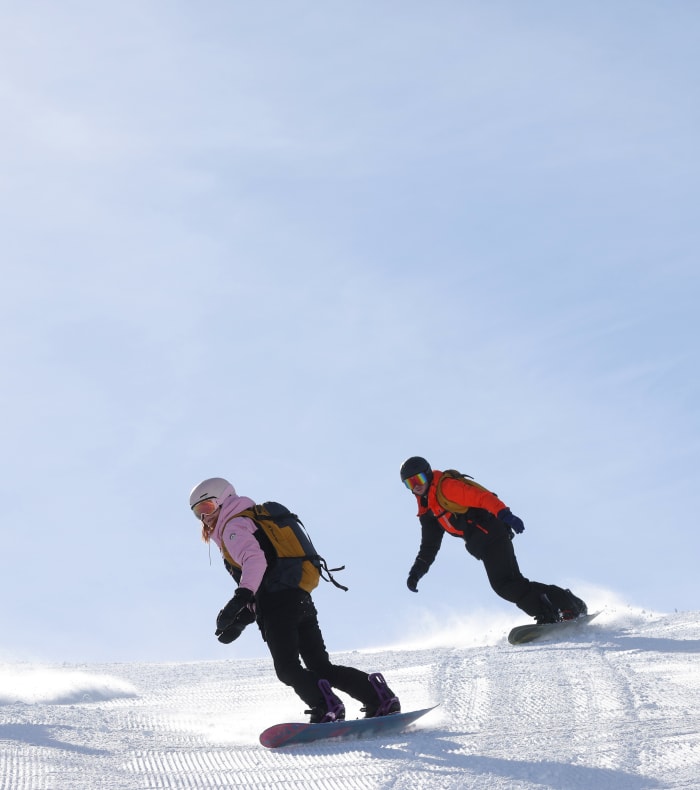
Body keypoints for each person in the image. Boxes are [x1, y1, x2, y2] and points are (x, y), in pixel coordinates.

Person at [189, 476, 401, 723]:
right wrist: (241, 619)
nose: (205, 518)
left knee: (287, 668)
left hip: (278, 604)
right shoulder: (251, 520)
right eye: (197, 513)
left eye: (207, 508)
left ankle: (325, 706)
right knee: (321, 666)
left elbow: (256, 563)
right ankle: (379, 697)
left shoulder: (234, 528)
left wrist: (240, 598)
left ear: (224, 500)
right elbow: (264, 575)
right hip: (298, 597)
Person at [400, 457, 587, 624]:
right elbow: (429, 546)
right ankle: (561, 605)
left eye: (418, 479)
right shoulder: (429, 512)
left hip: (492, 534)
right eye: (410, 483)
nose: (416, 486)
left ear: (427, 474)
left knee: (505, 585)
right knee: (510, 583)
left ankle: (558, 608)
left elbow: (482, 498)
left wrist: (506, 515)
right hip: (483, 543)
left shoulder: (446, 488)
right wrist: (417, 572)